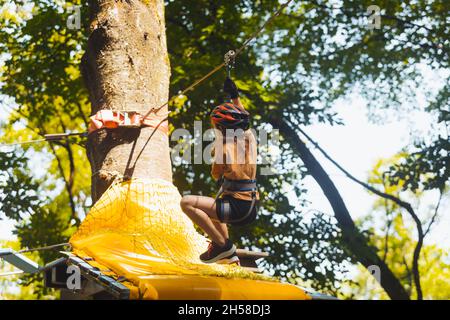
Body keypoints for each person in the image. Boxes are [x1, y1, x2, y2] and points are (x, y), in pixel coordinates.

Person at [180, 77, 259, 264]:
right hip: (249, 206)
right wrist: (234, 96)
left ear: (222, 128)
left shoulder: (223, 149)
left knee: (187, 203)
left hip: (237, 208)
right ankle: (228, 255)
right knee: (214, 207)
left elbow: (216, 173)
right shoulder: (250, 139)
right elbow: (243, 116)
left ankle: (222, 245)